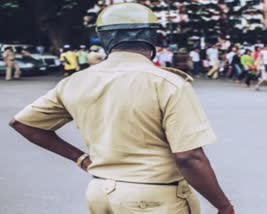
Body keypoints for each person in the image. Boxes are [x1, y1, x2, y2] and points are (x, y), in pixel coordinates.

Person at [9, 3, 234, 214]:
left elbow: (23, 124)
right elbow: (189, 156)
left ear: (104, 38)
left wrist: (81, 159)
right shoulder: (167, 83)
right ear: (151, 37)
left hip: (100, 192)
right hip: (154, 197)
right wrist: (223, 206)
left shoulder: (76, 81)